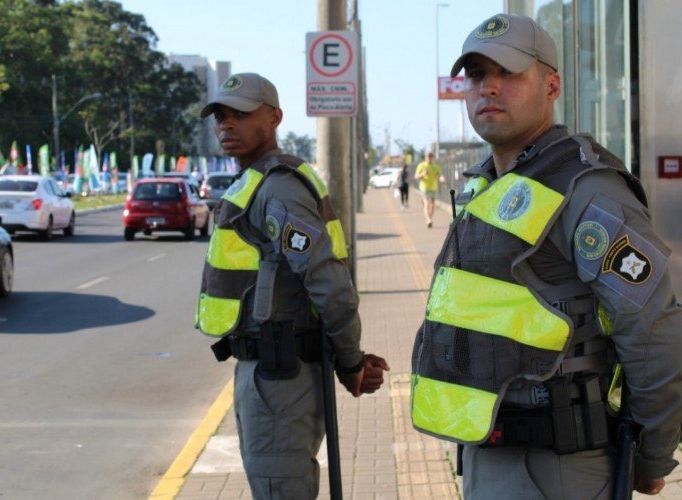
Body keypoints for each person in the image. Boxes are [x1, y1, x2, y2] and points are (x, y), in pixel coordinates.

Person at [409, 13, 682, 499]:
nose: (488, 87)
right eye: (476, 75)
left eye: (507, 73)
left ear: (552, 84)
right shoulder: (488, 185)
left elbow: (654, 328)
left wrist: (654, 454)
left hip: (554, 468)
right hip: (490, 454)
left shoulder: (585, 188)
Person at [196, 72, 389, 499]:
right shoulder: (258, 182)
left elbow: (329, 283)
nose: (227, 125)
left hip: (279, 380)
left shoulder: (278, 188)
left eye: (241, 115)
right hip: (268, 372)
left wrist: (351, 361)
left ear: (274, 117)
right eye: (221, 116)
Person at [414, 152, 442, 227]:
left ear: (433, 158)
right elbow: (416, 176)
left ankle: (429, 218)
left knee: (432, 205)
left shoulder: (436, 166)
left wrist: (442, 179)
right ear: (426, 158)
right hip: (424, 187)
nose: (429, 158)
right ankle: (428, 219)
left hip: (433, 187)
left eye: (431, 157)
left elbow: (439, 175)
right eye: (428, 157)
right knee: (426, 203)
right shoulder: (421, 165)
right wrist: (422, 174)